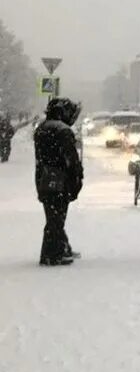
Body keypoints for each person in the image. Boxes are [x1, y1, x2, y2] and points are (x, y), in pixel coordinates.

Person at [34, 98, 83, 266]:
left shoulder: (42, 129)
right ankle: (52, 254)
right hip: (60, 181)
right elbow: (71, 160)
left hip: (44, 179)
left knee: (53, 216)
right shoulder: (63, 131)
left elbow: (40, 159)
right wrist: (77, 179)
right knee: (56, 219)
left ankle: (61, 247)